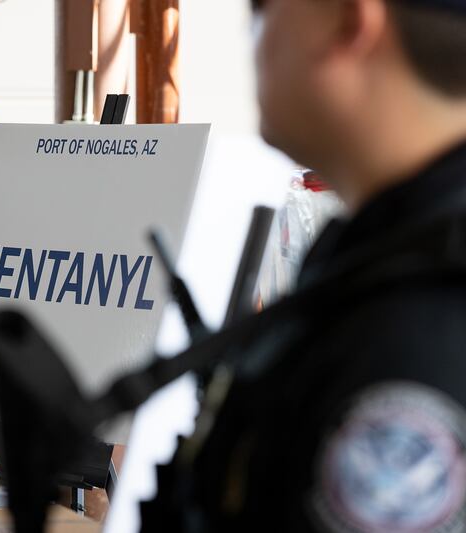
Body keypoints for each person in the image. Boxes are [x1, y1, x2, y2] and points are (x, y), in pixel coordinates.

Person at [177, 0, 466, 530]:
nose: (255, 37)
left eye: (263, 9)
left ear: (350, 22)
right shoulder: (388, 252)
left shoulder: (420, 320)